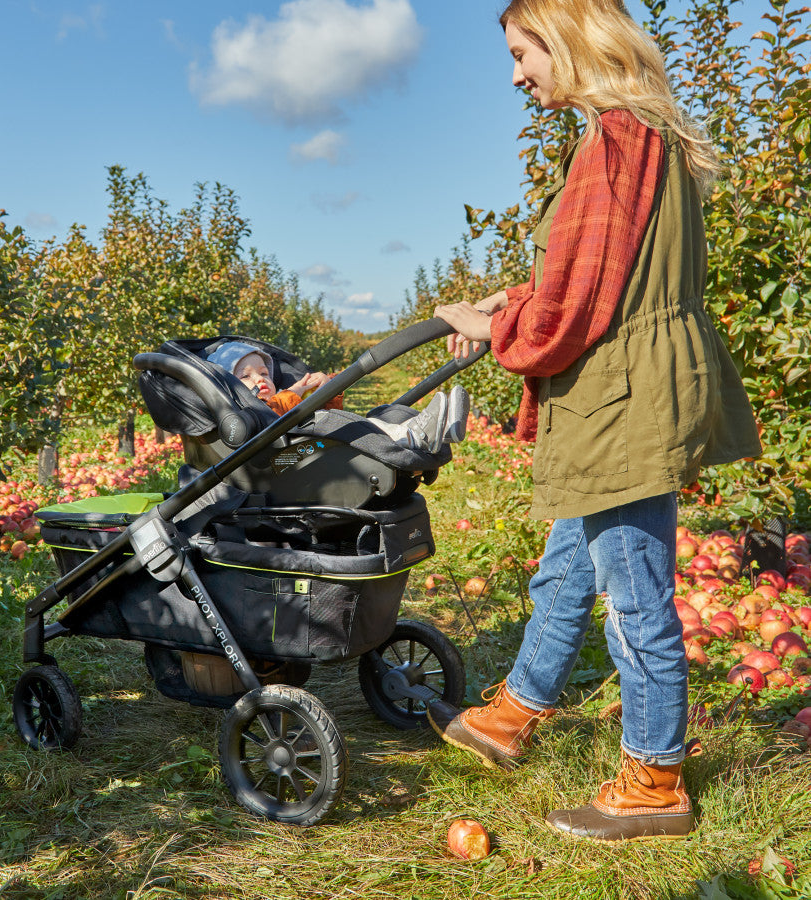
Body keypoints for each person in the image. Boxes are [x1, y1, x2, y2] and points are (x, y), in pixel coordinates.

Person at [426, 0, 761, 842]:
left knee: (633, 593)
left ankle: (654, 781)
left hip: (622, 398)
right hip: (627, 386)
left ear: (566, 40)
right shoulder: (649, 140)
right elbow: (605, 277)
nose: (516, 75)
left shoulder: (613, 144)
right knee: (570, 566)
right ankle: (514, 713)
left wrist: (496, 325)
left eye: (521, 52)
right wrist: (522, 295)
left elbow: (572, 307)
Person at [205, 341, 468, 452]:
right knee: (361, 428)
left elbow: (328, 411)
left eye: (263, 372)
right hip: (296, 455)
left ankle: (434, 431)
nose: (260, 379)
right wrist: (295, 390)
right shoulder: (250, 414)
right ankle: (418, 435)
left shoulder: (283, 399)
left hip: (320, 441)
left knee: (377, 417)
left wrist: (327, 389)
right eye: (246, 376)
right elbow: (274, 410)